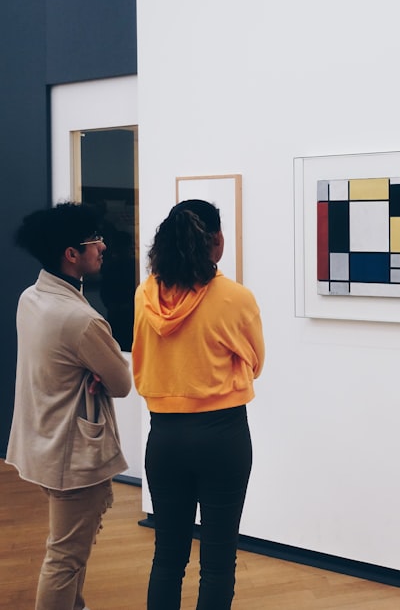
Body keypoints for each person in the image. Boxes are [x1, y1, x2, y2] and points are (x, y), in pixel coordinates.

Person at [132, 199, 265, 610]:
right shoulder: (234, 297)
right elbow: (255, 362)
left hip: (165, 436)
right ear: (218, 241)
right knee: (218, 561)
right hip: (222, 436)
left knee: (167, 557)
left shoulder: (145, 294)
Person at [6, 201, 132, 610]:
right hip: (70, 454)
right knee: (64, 557)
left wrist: (89, 369)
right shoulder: (82, 321)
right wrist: (95, 370)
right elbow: (121, 382)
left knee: (67, 550)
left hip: (41, 442)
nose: (103, 247)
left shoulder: (31, 298)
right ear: (71, 254)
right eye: (95, 241)